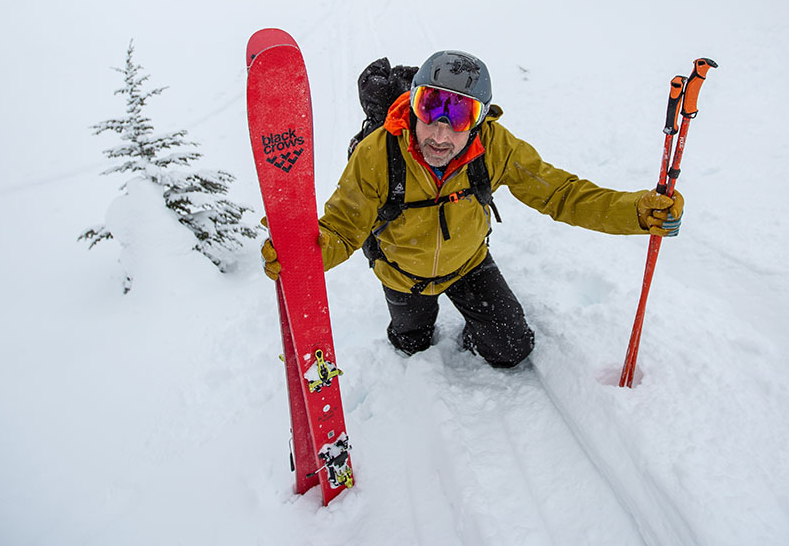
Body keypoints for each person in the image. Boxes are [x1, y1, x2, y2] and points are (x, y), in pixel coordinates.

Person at [261, 50, 684, 369]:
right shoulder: (378, 154)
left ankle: (471, 329)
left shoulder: (495, 147)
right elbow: (342, 228)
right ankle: (416, 328)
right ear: (413, 105)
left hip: (468, 263)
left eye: (459, 115)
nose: (440, 134)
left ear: (480, 118)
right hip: (402, 272)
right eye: (430, 109)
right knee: (412, 345)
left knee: (512, 349)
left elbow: (562, 194)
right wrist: (302, 255)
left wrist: (635, 214)